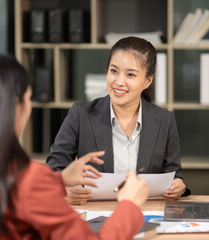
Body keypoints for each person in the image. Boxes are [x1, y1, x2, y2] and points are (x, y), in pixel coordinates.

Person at [0, 54, 149, 240]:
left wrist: (59, 180)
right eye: (29, 98)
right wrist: (129, 205)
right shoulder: (30, 179)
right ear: (14, 106)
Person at [47, 36, 189, 205]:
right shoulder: (80, 114)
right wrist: (62, 191)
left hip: (145, 213)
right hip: (95, 213)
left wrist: (178, 186)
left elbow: (173, 175)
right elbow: (53, 171)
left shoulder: (164, 120)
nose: (119, 82)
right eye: (113, 71)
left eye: (130, 74)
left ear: (147, 81)